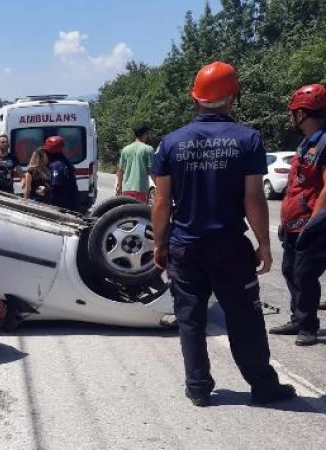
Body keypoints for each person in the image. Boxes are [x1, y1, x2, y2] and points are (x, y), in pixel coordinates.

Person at [151, 61, 295, 407]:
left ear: (195, 98)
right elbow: (253, 198)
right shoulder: (247, 139)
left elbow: (161, 201)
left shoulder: (171, 143)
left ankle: (198, 387)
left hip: (185, 246)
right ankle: (263, 386)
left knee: (190, 318)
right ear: (233, 96)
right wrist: (263, 243)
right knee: (244, 317)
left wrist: (159, 243)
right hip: (230, 247)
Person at [269, 84, 326, 346]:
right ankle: (297, 317)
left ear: (304, 113)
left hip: (311, 224)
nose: (291, 117)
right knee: (290, 270)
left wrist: (314, 222)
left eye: (294, 112)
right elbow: (296, 185)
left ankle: (308, 326)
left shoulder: (324, 142)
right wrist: (284, 221)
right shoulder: (306, 143)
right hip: (294, 222)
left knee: (305, 274)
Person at [116, 124, 155, 203]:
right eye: (147, 134)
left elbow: (120, 171)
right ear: (143, 134)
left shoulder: (125, 150)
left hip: (126, 190)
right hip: (141, 190)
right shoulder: (148, 149)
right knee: (140, 214)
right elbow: (151, 171)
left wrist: (119, 187)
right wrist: (159, 186)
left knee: (128, 214)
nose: (148, 136)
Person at [43, 136, 80, 211]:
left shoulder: (57, 165)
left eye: (46, 151)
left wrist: (44, 190)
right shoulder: (64, 161)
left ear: (50, 151)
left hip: (60, 206)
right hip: (69, 203)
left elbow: (56, 186)